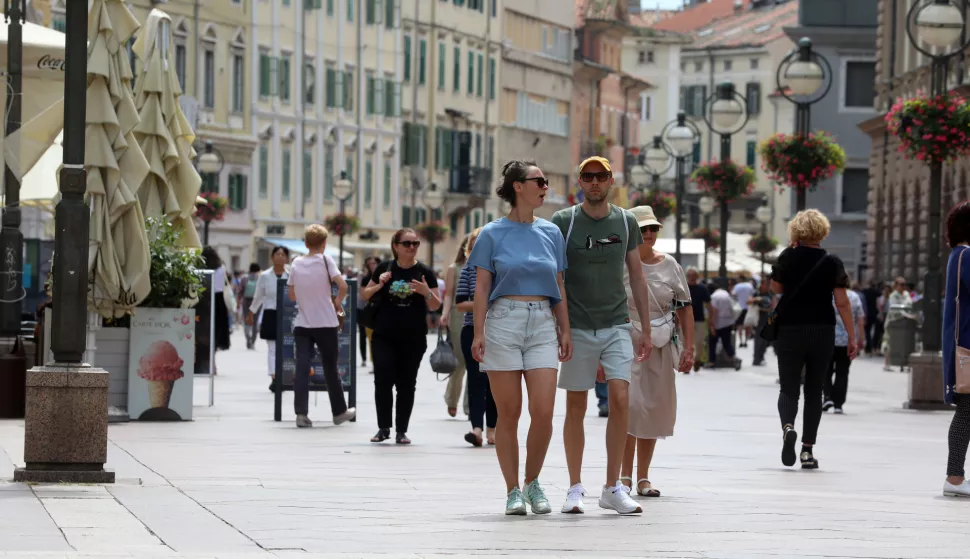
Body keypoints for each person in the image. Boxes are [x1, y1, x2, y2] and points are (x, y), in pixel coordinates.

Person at [550, 155, 651, 516]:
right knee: (575, 404)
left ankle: (613, 486)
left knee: (622, 397)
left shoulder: (625, 221)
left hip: (616, 324)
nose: (594, 182)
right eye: (588, 176)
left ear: (611, 181)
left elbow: (637, 275)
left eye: (601, 176)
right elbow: (556, 277)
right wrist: (561, 326)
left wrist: (645, 329)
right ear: (579, 182)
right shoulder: (564, 221)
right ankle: (575, 486)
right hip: (576, 325)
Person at [468, 159, 570, 516]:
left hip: (543, 321)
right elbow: (482, 287)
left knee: (543, 412)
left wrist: (565, 328)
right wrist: (478, 332)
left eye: (546, 180)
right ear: (517, 187)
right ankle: (512, 490)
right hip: (503, 322)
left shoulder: (552, 232)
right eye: (539, 180)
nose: (545, 186)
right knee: (508, 413)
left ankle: (533, 482)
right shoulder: (491, 233)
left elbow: (559, 285)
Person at [770, 209, 857, 470]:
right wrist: (852, 336)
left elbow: (776, 288)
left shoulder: (787, 256)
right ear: (822, 231)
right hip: (822, 330)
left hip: (790, 330)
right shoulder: (831, 262)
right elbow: (842, 302)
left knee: (788, 387)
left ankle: (787, 428)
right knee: (814, 390)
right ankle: (807, 451)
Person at [619, 206, 693, 499]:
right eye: (642, 229)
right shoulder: (620, 264)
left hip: (661, 343)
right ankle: (623, 473)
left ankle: (643, 476)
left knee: (652, 408)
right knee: (630, 406)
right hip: (627, 340)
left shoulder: (671, 265)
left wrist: (690, 346)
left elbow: (685, 305)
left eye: (653, 229)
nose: (648, 234)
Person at [361, 228, 441, 445]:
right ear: (395, 246)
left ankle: (401, 430)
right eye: (407, 243)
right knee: (383, 380)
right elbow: (365, 294)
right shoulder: (384, 268)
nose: (412, 247)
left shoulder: (424, 272)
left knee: (407, 384)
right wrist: (379, 284)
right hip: (384, 334)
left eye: (415, 243)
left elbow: (436, 305)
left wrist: (426, 292)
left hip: (413, 337)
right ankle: (383, 427)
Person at [286, 225, 356, 428]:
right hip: (326, 323)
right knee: (330, 368)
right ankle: (339, 412)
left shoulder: (296, 263)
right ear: (324, 244)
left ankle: (301, 414)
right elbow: (342, 286)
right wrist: (337, 302)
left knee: (301, 367)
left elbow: (291, 295)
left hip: (302, 324)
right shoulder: (326, 260)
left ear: (306, 243)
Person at [454, 227, 496, 447]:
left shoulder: (502, 267)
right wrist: (484, 303)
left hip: (498, 330)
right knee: (476, 380)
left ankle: (493, 429)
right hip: (472, 329)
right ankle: (476, 428)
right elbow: (460, 303)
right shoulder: (469, 269)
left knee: (496, 381)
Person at [942, 201, 970, 497]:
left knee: (966, 411)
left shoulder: (956, 255)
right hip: (969, 345)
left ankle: (955, 475)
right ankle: (954, 477)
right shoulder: (966, 256)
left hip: (962, 343)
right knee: (966, 412)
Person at [248, 246, 291, 391]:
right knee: (272, 348)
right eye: (277, 254)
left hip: (287, 315)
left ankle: (284, 376)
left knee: (285, 348)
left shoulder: (291, 275)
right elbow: (258, 296)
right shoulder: (265, 276)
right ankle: (274, 377)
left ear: (286, 258)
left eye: (283, 254)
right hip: (271, 314)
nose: (280, 257)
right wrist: (251, 312)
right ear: (272, 257)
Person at [440, 236, 471, 418]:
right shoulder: (454, 269)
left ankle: (470, 406)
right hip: (458, 316)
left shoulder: (485, 267)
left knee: (475, 364)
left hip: (479, 316)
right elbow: (449, 295)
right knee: (460, 362)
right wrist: (445, 314)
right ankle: (452, 400)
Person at [823, 285, 865, 414]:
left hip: (827, 339)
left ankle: (828, 397)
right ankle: (838, 404)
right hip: (847, 341)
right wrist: (861, 339)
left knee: (825, 370)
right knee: (843, 372)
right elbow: (860, 320)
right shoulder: (854, 297)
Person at [198, 247, 230, 375]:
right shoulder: (221, 268)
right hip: (218, 301)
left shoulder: (200, 269)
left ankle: (203, 362)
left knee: (203, 331)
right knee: (216, 332)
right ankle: (213, 363)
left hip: (204, 299)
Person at [882, 277, 914, 371]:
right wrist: (905, 311)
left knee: (903, 344)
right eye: (901, 284)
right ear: (896, 285)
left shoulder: (906, 294)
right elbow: (894, 308)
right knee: (888, 342)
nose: (903, 287)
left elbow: (910, 304)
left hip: (905, 322)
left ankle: (904, 363)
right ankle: (887, 363)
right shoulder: (893, 295)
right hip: (893, 322)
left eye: (904, 284)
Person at [356, 256, 380, 368]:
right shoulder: (366, 279)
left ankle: (377, 361)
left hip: (381, 310)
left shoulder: (384, 277)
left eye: (374, 263)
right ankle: (367, 359)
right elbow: (363, 295)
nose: (372, 265)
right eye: (370, 263)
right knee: (364, 335)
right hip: (368, 309)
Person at [686, 268, 711, 371]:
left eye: (694, 275)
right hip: (685, 320)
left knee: (700, 342)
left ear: (697, 277)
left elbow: (709, 305)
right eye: (690, 276)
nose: (692, 278)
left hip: (699, 319)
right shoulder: (682, 288)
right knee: (685, 344)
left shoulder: (702, 288)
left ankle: (697, 359)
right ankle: (686, 364)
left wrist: (711, 319)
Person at [707, 281, 736, 366]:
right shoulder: (726, 294)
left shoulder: (714, 297)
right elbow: (732, 308)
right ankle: (734, 357)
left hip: (718, 323)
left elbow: (714, 310)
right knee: (726, 342)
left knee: (712, 343)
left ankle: (712, 361)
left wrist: (711, 324)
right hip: (728, 322)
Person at [751, 280, 774, 366]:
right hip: (759, 321)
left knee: (764, 342)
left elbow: (772, 308)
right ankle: (756, 358)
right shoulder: (757, 294)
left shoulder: (770, 295)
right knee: (759, 341)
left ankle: (760, 357)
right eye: (765, 285)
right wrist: (758, 300)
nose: (767, 286)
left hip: (767, 321)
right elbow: (749, 302)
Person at [239, 263, 261, 349]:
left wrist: (238, 301)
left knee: (247, 321)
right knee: (255, 322)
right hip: (257, 302)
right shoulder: (260, 278)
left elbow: (240, 291)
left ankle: (248, 338)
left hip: (246, 302)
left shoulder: (244, 278)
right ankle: (253, 341)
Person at [732, 275, 754, 347]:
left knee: (739, 326)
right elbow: (752, 295)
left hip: (740, 308)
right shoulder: (750, 286)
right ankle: (746, 341)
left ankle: (741, 341)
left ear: (741, 279)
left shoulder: (737, 286)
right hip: (749, 308)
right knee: (748, 325)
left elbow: (733, 294)